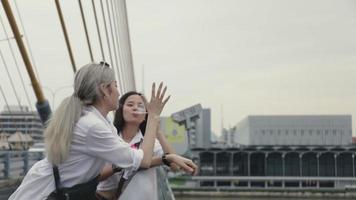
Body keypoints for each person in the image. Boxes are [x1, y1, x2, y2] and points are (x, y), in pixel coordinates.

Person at [9, 62, 177, 200]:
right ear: (105, 90)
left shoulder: (100, 122)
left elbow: (132, 155)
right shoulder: (92, 126)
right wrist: (153, 115)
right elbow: (143, 160)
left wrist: (167, 157)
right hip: (42, 195)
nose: (119, 92)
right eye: (116, 86)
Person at [96, 91, 198, 200]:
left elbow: (175, 166)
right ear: (121, 111)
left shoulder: (148, 142)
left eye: (140, 106)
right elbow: (97, 177)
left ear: (145, 116)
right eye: (130, 105)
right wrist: (121, 164)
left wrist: (158, 132)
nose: (135, 108)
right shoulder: (110, 136)